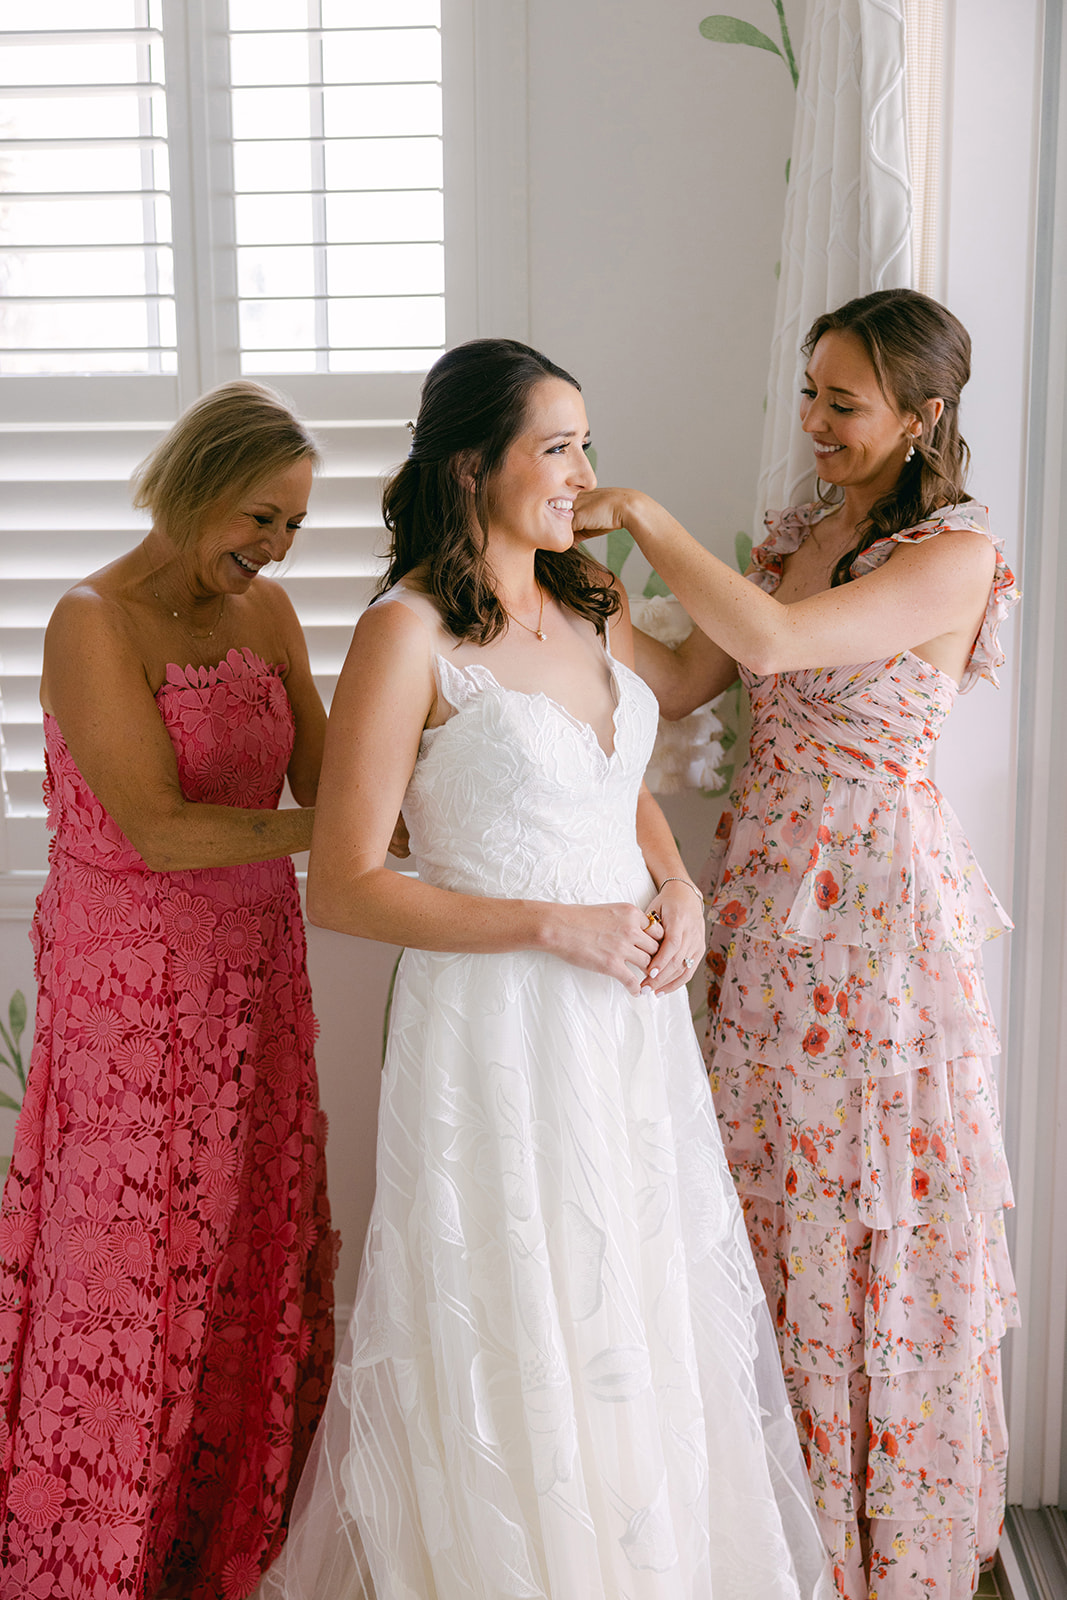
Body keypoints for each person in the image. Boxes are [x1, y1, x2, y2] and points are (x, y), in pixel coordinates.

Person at [259, 338, 832, 1600]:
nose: (584, 472)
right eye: (557, 446)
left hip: (627, 1027)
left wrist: (675, 886)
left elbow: (611, 782)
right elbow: (346, 883)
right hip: (496, 1029)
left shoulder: (590, 600)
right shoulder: (402, 634)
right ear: (473, 465)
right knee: (519, 1314)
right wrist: (547, 925)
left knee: (638, 1301)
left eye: (586, 443)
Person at [571, 289, 1020, 1599]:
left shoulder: (950, 554)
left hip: (874, 916)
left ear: (920, 417)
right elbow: (686, 674)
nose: (814, 421)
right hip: (767, 907)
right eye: (808, 391)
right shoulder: (794, 536)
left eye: (844, 401)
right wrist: (554, 570)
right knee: (768, 1198)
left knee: (864, 1202)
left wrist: (646, 513)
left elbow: (771, 642)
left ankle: (875, 1543)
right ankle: (773, 1526)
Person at [0, 381, 338, 1600]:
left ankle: (222, 1541)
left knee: (244, 1237)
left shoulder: (276, 617)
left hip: (256, 970)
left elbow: (330, 767)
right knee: (132, 1255)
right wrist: (338, 835)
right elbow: (152, 824)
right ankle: (92, 1556)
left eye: (294, 527)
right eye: (261, 517)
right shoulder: (92, 619)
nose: (276, 548)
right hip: (131, 989)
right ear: (193, 484)